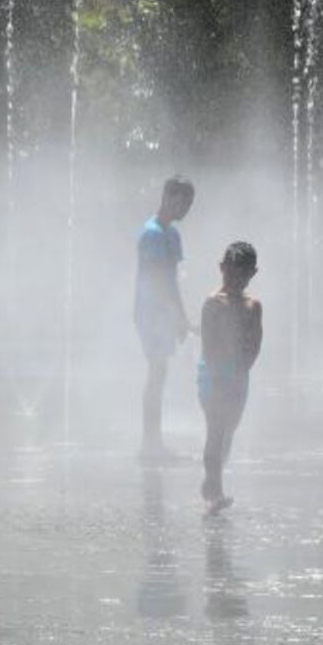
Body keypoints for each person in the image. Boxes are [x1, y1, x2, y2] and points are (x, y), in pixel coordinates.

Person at [198, 242, 262, 514]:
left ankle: (211, 479)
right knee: (215, 430)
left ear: (252, 274)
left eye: (242, 277)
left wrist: (241, 371)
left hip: (239, 375)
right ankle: (215, 491)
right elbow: (209, 345)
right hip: (212, 375)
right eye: (230, 275)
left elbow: (255, 343)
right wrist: (218, 379)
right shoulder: (213, 304)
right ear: (221, 268)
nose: (235, 282)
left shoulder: (253, 306)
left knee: (229, 430)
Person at [136, 175, 195, 461]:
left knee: (159, 375)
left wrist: (181, 316)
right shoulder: (152, 234)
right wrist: (175, 317)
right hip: (150, 312)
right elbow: (157, 281)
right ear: (168, 197)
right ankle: (150, 444)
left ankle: (154, 442)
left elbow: (173, 281)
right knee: (156, 374)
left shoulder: (172, 234)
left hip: (164, 312)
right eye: (183, 201)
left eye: (190, 204)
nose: (186, 208)